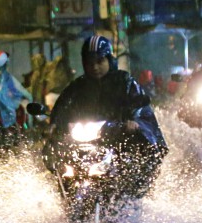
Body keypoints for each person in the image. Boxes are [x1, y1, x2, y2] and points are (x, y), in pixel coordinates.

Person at [45, 35, 168, 195]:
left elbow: (137, 101)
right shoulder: (78, 86)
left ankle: (136, 192)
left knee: (139, 154)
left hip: (118, 135)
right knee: (58, 154)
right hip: (87, 138)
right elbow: (63, 106)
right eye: (90, 63)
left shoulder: (124, 81)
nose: (95, 67)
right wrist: (53, 124)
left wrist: (132, 120)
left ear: (109, 60)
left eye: (99, 61)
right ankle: (66, 193)